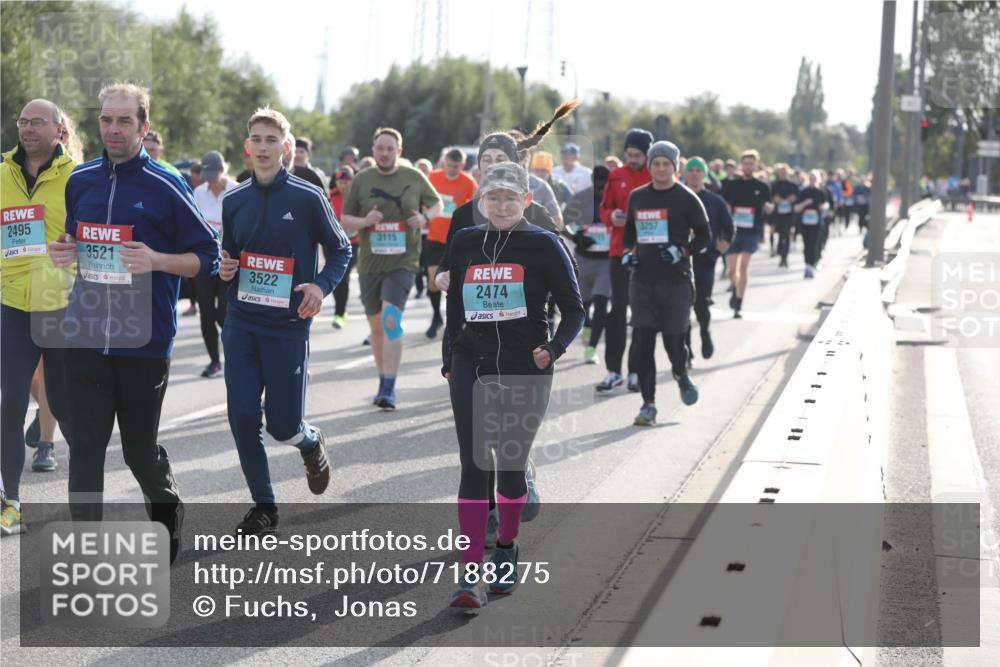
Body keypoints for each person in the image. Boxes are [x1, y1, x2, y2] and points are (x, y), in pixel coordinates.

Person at [48, 83, 219, 562]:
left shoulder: (166, 184)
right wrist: (67, 251)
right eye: (106, 120)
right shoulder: (80, 180)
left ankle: (167, 510)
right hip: (85, 333)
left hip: (143, 340)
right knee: (84, 449)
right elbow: (77, 242)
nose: (114, 129)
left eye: (125, 121)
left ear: (144, 126)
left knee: (139, 452)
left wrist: (158, 260)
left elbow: (206, 258)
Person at [443, 161, 583, 610]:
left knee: (509, 466)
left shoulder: (544, 244)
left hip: (527, 364)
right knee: (474, 465)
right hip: (473, 361)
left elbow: (575, 310)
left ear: (526, 201)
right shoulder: (465, 241)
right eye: (493, 197)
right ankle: (468, 574)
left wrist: (554, 348)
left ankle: (505, 546)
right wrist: (450, 358)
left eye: (510, 197)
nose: (501, 205)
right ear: (481, 201)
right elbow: (454, 309)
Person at [218, 107, 351, 535]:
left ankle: (310, 441)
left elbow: (342, 249)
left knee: (282, 425)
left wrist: (319, 286)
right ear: (246, 147)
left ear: (286, 148)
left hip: (288, 326)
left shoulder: (307, 198)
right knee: (241, 417)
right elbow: (229, 257)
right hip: (240, 321)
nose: (262, 146)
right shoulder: (233, 200)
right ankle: (264, 506)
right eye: (256, 139)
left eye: (271, 140)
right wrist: (223, 268)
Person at [1, 100, 78, 535]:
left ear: (58, 129)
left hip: (59, 300)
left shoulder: (77, 178)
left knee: (66, 408)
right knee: (10, 402)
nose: (28, 128)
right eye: (23, 121)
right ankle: (10, 502)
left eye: (38, 122)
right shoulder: (1, 174)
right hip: (10, 300)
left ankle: (85, 504)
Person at [339, 127, 443, 410]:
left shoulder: (413, 176)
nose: (385, 153)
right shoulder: (362, 180)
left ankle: (388, 387)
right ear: (373, 150)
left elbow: (437, 203)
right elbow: (345, 219)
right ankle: (383, 378)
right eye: (380, 148)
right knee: (376, 328)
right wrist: (365, 222)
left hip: (404, 262)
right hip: (371, 264)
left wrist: (424, 218)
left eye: (390, 148)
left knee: (390, 319)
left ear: (399, 151)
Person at [622, 142, 709, 426]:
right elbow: (629, 235)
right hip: (643, 283)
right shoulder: (637, 197)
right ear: (649, 166)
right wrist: (628, 255)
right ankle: (648, 405)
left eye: (666, 163)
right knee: (644, 345)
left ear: (675, 166)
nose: (660, 168)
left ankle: (681, 373)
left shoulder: (686, 198)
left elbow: (704, 237)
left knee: (674, 344)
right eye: (656, 163)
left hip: (676, 283)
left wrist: (682, 251)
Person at [596, 128, 653, 393]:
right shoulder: (616, 175)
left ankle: (636, 371)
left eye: (638, 155)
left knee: (641, 314)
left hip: (647, 254)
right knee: (617, 310)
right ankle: (613, 371)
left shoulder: (656, 175)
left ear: (647, 154)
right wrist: (612, 217)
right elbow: (604, 208)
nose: (632, 159)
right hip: (619, 252)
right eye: (629, 154)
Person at [192, 150, 237, 378]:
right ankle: (214, 361)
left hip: (229, 262)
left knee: (224, 313)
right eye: (206, 174)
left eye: (214, 174)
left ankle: (236, 352)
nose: (210, 179)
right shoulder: (199, 192)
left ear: (223, 170)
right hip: (206, 260)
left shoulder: (236, 190)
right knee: (206, 313)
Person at [684, 157, 732, 361]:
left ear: (704, 174)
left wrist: (717, 252)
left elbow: (729, 229)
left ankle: (705, 331)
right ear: (685, 174)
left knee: (701, 305)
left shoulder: (715, 201)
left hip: (705, 261)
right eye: (691, 170)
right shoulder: (677, 197)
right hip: (681, 261)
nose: (695, 174)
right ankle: (686, 351)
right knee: (682, 307)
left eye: (698, 170)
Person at [424, 147, 476, 338]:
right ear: (443, 163)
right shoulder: (432, 177)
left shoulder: (469, 183)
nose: (452, 169)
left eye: (456, 166)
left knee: (456, 283)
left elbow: (475, 210)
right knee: (433, 281)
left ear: (462, 165)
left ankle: (456, 320)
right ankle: (436, 316)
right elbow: (423, 199)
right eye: (449, 165)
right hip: (434, 238)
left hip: (456, 239)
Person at [564, 165, 612, 364]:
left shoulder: (615, 197)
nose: (601, 191)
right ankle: (587, 325)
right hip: (584, 258)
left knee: (601, 303)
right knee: (584, 304)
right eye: (598, 187)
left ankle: (592, 348)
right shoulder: (580, 198)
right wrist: (576, 238)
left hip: (607, 260)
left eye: (604, 187)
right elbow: (562, 223)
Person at [722, 149, 772, 318]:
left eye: (751, 163)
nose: (748, 166)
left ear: (756, 165)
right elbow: (724, 203)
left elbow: (768, 205)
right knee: (731, 270)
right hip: (733, 231)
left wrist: (769, 208)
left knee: (743, 266)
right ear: (741, 165)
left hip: (751, 231)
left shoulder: (762, 186)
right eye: (745, 163)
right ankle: (735, 288)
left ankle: (739, 301)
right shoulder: (732, 185)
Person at [329, 166, 359, 329]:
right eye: (340, 181)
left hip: (353, 242)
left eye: (347, 181)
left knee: (343, 275)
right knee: (335, 277)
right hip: (332, 243)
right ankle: (340, 310)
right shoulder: (330, 196)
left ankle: (339, 313)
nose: (343, 185)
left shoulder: (357, 197)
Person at [795, 170, 830, 279]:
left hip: (817, 222)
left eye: (815, 178)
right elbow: (796, 208)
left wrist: (824, 207)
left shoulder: (821, 192)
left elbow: (827, 204)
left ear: (818, 179)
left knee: (814, 243)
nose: (813, 180)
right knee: (806, 244)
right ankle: (807, 265)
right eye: (811, 178)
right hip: (805, 222)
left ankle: (811, 266)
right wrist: (805, 203)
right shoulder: (803, 192)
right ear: (808, 179)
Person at [770, 163, 799, 268]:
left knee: (786, 234)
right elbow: (770, 197)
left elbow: (797, 197)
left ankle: (785, 257)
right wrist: (775, 199)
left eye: (785, 172)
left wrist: (792, 199)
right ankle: (780, 252)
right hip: (777, 214)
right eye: (781, 172)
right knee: (779, 234)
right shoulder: (774, 184)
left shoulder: (793, 185)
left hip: (789, 214)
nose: (783, 174)